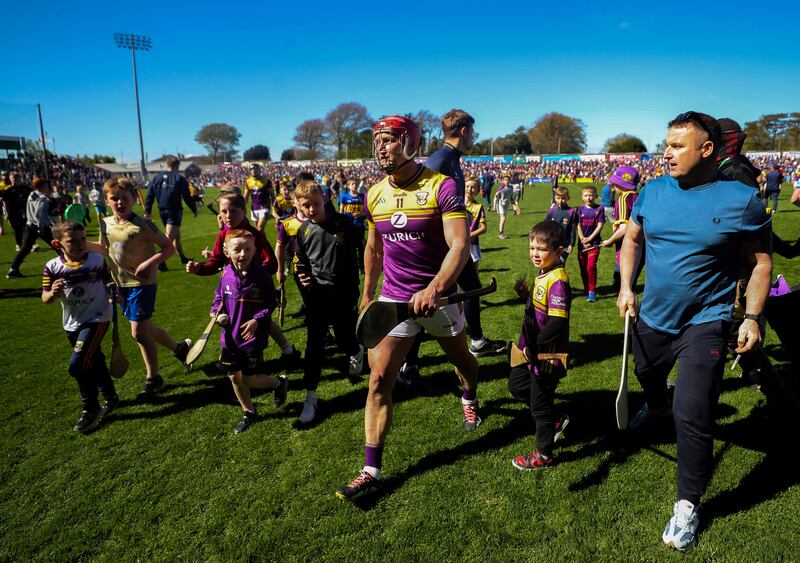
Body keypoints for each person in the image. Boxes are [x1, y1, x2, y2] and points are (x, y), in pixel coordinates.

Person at [617, 111, 772, 552]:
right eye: (666, 144)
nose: (666, 153)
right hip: (652, 317)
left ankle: (688, 504)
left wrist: (751, 317)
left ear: (707, 150)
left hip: (707, 321)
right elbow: (633, 239)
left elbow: (760, 263)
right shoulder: (651, 191)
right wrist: (627, 287)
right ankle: (657, 404)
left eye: (677, 146)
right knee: (648, 375)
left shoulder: (741, 200)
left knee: (694, 414)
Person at [336, 115, 481, 500]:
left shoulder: (441, 187)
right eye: (378, 140)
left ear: (411, 143)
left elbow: (459, 246)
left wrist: (435, 287)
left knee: (463, 362)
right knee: (379, 379)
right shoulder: (374, 194)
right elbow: (373, 249)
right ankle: (371, 469)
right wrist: (368, 294)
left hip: (439, 299)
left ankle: (469, 396)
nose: (382, 147)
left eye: (390, 140)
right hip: (394, 299)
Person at [398, 109, 505, 392]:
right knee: (426, 305)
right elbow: (420, 201)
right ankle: (408, 365)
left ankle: (477, 341)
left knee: (471, 286)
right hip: (439, 247)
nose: (474, 136)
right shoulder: (440, 160)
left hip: (454, 243)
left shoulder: (453, 159)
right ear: (464, 131)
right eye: (473, 131)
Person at [99, 177, 192, 398]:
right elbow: (102, 249)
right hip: (120, 285)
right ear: (107, 200)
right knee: (145, 329)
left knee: (138, 332)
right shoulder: (104, 223)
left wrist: (149, 262)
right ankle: (180, 349)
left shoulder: (143, 224)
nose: (120, 202)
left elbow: (168, 247)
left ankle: (154, 378)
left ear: (133, 199)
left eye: (125, 197)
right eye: (115, 198)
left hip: (143, 283)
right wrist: (75, 246)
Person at [185, 192, 301, 367]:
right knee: (245, 319)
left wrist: (252, 275)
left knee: (257, 319)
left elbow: (270, 263)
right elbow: (216, 261)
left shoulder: (253, 234)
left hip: (253, 285)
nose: (228, 216)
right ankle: (285, 351)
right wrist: (199, 268)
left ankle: (255, 363)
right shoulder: (223, 233)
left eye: (233, 211)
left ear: (243, 211)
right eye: (224, 211)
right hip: (231, 283)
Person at [293, 180, 364, 424]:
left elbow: (362, 247)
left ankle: (356, 351)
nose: (311, 209)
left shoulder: (343, 223)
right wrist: (302, 274)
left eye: (315, 203)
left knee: (345, 339)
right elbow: (299, 260)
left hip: (344, 295)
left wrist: (361, 279)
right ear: (299, 206)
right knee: (314, 346)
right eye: (306, 206)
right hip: (318, 297)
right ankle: (310, 396)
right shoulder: (303, 231)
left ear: (323, 198)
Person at [41, 220, 119, 433]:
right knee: (94, 360)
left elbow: (109, 281)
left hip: (98, 317)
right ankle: (111, 397)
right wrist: (52, 291)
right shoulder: (53, 267)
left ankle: (90, 408)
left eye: (83, 239)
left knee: (77, 365)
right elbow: (45, 298)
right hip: (71, 323)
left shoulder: (96, 259)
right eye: (72, 241)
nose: (80, 244)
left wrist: (114, 292)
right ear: (58, 244)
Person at [211, 229, 288, 434]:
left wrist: (256, 320)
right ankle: (249, 411)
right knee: (234, 377)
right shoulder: (225, 273)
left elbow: (270, 304)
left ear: (255, 251)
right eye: (238, 249)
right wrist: (217, 314)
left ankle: (278, 383)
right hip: (229, 339)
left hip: (252, 339)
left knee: (247, 379)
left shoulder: (262, 276)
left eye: (247, 249)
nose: (243, 254)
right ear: (227, 251)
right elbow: (218, 297)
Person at [508, 221, 571, 470]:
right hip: (528, 349)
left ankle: (545, 455)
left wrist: (536, 347)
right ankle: (554, 420)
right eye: (532, 247)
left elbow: (557, 321)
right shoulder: (543, 272)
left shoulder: (558, 280)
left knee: (541, 405)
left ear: (559, 251)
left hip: (546, 354)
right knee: (517, 385)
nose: (535, 253)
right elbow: (538, 306)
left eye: (541, 249)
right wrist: (525, 294)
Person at [144, 155, 197, 266]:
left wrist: (147, 211)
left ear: (167, 164)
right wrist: (194, 208)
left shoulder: (156, 178)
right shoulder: (179, 179)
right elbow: (186, 197)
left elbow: (149, 195)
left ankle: (182, 257)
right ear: (177, 165)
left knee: (176, 235)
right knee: (169, 239)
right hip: (174, 211)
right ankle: (160, 261)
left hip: (162, 210)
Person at [600, 166, 640, 292]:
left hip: (626, 245)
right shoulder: (639, 196)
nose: (613, 186)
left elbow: (624, 228)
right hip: (641, 246)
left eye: (615, 183)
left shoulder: (623, 199)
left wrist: (610, 241)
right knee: (632, 281)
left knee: (622, 284)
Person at [8, 178, 56, 278]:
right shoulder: (42, 198)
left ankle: (13, 269)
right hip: (40, 226)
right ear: (42, 186)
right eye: (47, 185)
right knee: (57, 244)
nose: (48, 188)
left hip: (30, 225)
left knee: (25, 249)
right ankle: (69, 265)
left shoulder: (31, 194)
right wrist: (41, 227)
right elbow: (39, 214)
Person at [575, 186, 605, 302]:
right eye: (586, 195)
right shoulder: (580, 209)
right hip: (582, 243)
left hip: (594, 243)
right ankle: (586, 288)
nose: (589, 198)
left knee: (590, 266)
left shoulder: (600, 209)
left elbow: (600, 225)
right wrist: (583, 239)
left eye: (591, 195)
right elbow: (578, 225)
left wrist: (590, 239)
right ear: (582, 197)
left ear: (596, 196)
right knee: (583, 267)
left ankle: (592, 291)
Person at [337, 177, 367, 273]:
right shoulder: (345, 197)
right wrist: (350, 215)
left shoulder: (362, 196)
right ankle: (351, 266)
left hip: (360, 226)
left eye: (356, 184)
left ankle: (361, 267)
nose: (354, 185)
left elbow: (366, 211)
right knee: (350, 247)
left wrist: (361, 214)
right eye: (352, 184)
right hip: (349, 225)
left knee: (361, 247)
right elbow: (341, 212)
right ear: (348, 186)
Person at [544, 186, 577, 265]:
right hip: (552, 243)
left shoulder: (571, 212)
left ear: (568, 198)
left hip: (565, 245)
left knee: (560, 264)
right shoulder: (552, 210)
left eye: (563, 198)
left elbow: (573, 230)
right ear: (555, 198)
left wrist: (571, 244)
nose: (560, 201)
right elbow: (545, 225)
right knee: (549, 264)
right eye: (558, 198)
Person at [1, 172, 31, 252]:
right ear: (10, 179)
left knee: (28, 228)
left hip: (27, 212)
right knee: (17, 230)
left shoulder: (26, 188)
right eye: (12, 178)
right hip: (14, 213)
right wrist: (7, 214)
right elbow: (5, 203)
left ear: (19, 178)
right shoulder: (8, 190)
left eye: (16, 178)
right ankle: (19, 245)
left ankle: (32, 244)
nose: (14, 179)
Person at [244, 163, 273, 232]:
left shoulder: (266, 181)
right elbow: (246, 197)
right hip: (254, 208)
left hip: (264, 207)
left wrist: (274, 208)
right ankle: (262, 243)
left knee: (259, 228)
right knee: (259, 231)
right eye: (251, 169)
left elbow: (272, 196)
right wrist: (242, 207)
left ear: (260, 170)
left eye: (256, 168)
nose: (254, 170)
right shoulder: (248, 182)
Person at [465, 178, 487, 266]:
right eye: (467, 186)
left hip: (472, 245)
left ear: (477, 191)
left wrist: (469, 236)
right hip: (455, 243)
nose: (469, 189)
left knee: (474, 275)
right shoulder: (456, 203)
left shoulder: (478, 207)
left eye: (473, 187)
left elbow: (484, 228)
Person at [493, 174, 513, 239]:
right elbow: (496, 197)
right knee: (503, 218)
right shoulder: (501, 188)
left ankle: (502, 233)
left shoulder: (511, 187)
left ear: (510, 180)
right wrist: (494, 205)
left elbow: (511, 196)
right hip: (501, 204)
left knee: (503, 219)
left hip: (506, 205)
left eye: (508, 180)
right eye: (505, 180)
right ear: (503, 181)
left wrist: (513, 204)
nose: (506, 181)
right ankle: (500, 234)